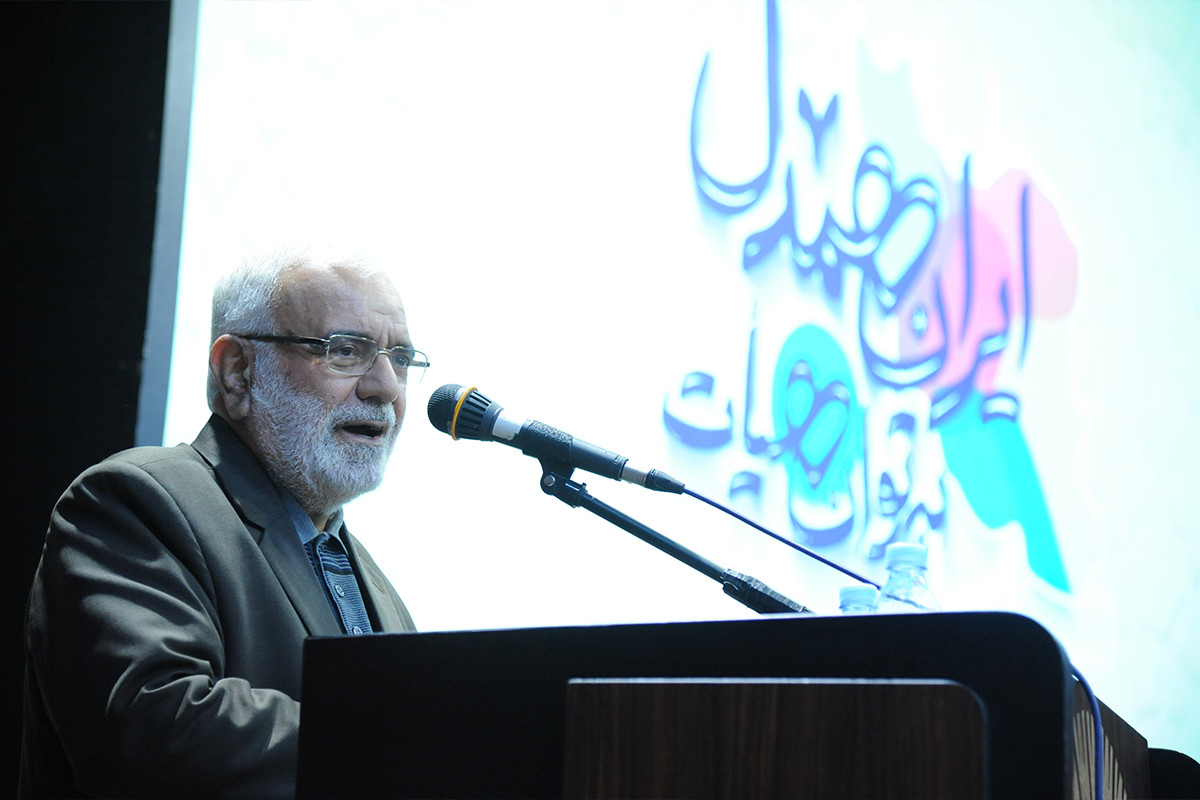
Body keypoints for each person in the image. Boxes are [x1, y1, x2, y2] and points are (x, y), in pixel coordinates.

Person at [19, 248, 422, 798]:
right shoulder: (137, 501)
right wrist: (412, 741)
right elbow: (158, 727)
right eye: (345, 351)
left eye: (402, 360)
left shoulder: (376, 588)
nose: (387, 388)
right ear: (237, 371)